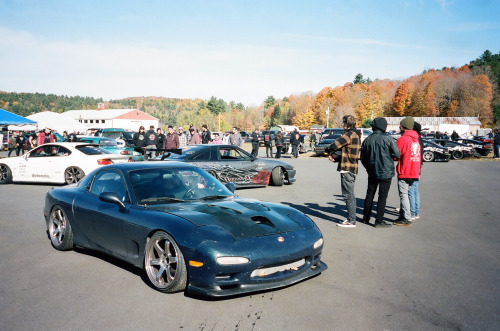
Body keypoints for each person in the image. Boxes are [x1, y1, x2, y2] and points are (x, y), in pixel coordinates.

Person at [360, 117, 400, 228]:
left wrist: (368, 168)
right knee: (382, 197)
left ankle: (365, 218)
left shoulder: (367, 140)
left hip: (372, 172)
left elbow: (362, 158)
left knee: (369, 194)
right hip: (386, 172)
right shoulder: (388, 139)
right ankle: (379, 220)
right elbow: (397, 154)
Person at [327, 115, 361, 228]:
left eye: (343, 123)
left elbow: (335, 145)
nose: (342, 125)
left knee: (348, 195)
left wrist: (328, 150)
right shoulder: (356, 134)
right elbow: (348, 153)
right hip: (352, 166)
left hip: (347, 169)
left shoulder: (349, 134)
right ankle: (351, 218)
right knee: (349, 194)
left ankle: (351, 220)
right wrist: (336, 158)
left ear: (347, 124)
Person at [394, 116, 421, 226]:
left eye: (401, 125)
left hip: (405, 170)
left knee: (403, 194)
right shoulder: (416, 139)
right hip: (415, 170)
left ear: (404, 126)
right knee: (410, 193)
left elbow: (396, 154)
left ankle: (407, 218)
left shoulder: (403, 139)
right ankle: (404, 215)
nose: (399, 127)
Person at [409, 122, 424, 221]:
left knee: (411, 191)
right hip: (419, 166)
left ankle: (412, 212)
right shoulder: (421, 139)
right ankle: (416, 211)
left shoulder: (414, 139)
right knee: (415, 190)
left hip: (413, 166)